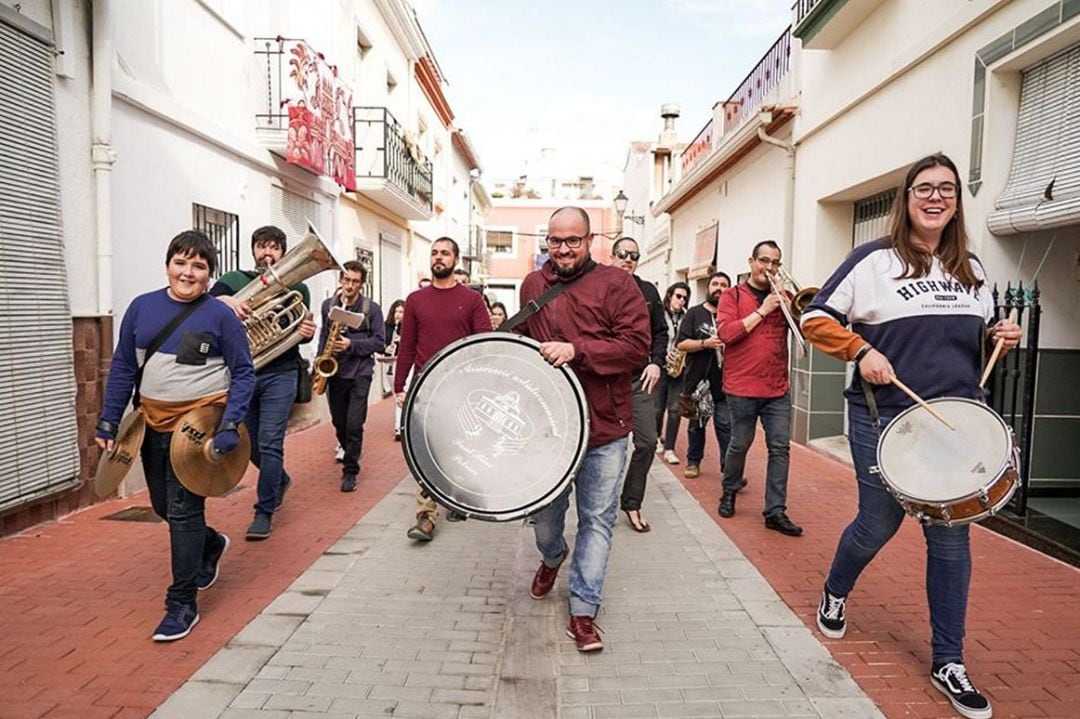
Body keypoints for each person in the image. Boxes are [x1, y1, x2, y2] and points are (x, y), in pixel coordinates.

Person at [801, 153, 1021, 719]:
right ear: (906, 199)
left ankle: (949, 661)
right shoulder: (872, 260)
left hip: (953, 424)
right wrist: (861, 349)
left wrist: (1000, 333)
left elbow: (973, 340)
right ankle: (835, 589)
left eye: (946, 189)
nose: (935, 197)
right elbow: (816, 318)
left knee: (951, 539)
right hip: (883, 418)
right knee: (878, 522)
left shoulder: (971, 267)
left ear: (956, 202)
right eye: (924, 188)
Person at [95, 230, 254, 642]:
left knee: (183, 512)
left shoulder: (221, 316)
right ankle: (211, 543)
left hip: (198, 430)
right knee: (164, 506)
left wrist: (230, 424)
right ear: (168, 265)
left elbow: (243, 372)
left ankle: (181, 603)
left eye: (199, 266)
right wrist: (109, 420)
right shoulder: (141, 307)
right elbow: (124, 367)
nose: (188, 272)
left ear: (209, 275)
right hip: (150, 425)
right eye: (181, 262)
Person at [518, 207, 650, 652]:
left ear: (589, 240)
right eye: (555, 241)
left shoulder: (618, 284)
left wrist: (577, 350)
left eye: (572, 240)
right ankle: (553, 557)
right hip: (552, 430)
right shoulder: (533, 286)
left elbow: (635, 348)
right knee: (545, 520)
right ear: (547, 242)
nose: (563, 248)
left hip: (605, 428)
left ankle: (583, 610)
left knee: (597, 521)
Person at [211, 225, 316, 541]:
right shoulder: (232, 281)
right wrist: (226, 302)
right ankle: (279, 479)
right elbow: (206, 305)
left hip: (280, 373)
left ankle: (263, 512)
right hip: (243, 375)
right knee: (250, 443)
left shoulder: (297, 286)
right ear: (253, 249)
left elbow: (293, 326)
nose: (266, 252)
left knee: (271, 442)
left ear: (283, 253)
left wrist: (304, 331)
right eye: (261, 246)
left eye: (273, 247)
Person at [395, 237, 491, 541]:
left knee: (458, 446)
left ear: (456, 259)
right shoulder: (415, 300)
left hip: (461, 387)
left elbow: (484, 345)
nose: (439, 258)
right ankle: (426, 516)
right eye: (435, 253)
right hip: (426, 388)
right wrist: (400, 386)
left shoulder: (472, 300)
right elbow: (407, 346)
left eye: (445, 253)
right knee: (426, 450)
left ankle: (456, 496)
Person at [714, 242, 803, 537]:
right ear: (751, 261)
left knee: (780, 448)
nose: (770, 267)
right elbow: (727, 334)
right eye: (764, 260)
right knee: (740, 444)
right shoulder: (732, 295)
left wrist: (796, 311)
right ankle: (729, 490)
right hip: (741, 386)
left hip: (777, 386)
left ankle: (775, 511)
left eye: (775, 262)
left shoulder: (784, 297)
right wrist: (764, 310)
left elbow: (805, 331)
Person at [609, 237, 667, 533]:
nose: (628, 259)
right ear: (611, 255)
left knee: (646, 442)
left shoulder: (648, 291)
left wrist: (656, 361)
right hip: (604, 382)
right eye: (622, 254)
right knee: (604, 448)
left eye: (634, 255)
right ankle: (598, 506)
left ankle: (631, 502)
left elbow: (660, 331)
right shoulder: (597, 285)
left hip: (639, 379)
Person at [317, 261, 385, 492]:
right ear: (340, 280)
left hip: (360, 372)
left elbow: (379, 341)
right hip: (335, 371)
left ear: (362, 284)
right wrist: (319, 362)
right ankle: (349, 448)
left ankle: (350, 470)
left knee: (355, 423)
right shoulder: (328, 306)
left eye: (355, 281)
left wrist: (350, 344)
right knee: (339, 422)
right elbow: (324, 336)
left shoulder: (372, 309)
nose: (350, 285)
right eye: (346, 280)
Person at [675, 272, 731, 480]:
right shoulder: (694, 313)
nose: (719, 288)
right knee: (696, 426)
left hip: (725, 383)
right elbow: (680, 343)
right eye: (715, 284)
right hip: (697, 381)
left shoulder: (732, 314)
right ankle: (693, 462)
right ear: (708, 288)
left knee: (726, 428)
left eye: (724, 285)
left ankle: (729, 470)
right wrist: (704, 344)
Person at [655, 282, 690, 465]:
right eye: (678, 296)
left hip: (679, 368)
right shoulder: (660, 314)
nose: (681, 300)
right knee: (658, 408)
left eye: (685, 297)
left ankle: (670, 448)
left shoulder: (686, 316)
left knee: (675, 409)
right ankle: (656, 437)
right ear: (670, 295)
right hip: (661, 366)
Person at [379, 299, 405, 432]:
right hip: (390, 362)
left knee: (402, 392)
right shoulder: (387, 327)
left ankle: (399, 425)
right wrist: (386, 349)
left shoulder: (408, 327)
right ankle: (399, 424)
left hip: (403, 363)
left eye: (401, 312)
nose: (398, 315)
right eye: (396, 311)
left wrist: (403, 340)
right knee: (396, 393)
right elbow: (379, 345)